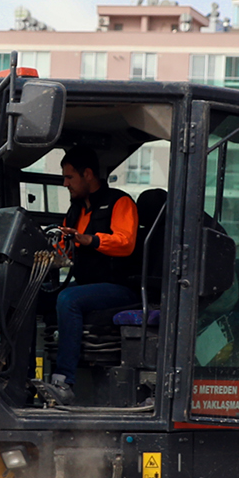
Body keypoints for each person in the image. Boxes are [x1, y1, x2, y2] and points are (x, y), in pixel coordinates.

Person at [40, 145, 140, 404]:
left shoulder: (120, 202)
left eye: (69, 177)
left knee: (69, 299)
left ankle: (64, 382)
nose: (65, 183)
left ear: (87, 174)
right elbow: (64, 247)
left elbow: (126, 242)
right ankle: (24, 376)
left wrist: (90, 240)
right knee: (32, 299)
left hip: (119, 287)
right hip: (85, 285)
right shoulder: (74, 210)